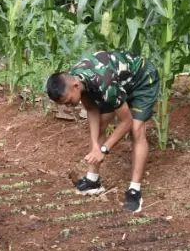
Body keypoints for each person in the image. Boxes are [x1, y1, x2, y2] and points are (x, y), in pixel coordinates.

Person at [46, 50, 161, 213]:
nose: (68, 106)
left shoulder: (104, 84)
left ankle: (135, 190)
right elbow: (92, 110)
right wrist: (95, 146)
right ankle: (93, 180)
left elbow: (126, 121)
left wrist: (104, 149)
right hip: (119, 83)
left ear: (75, 86)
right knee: (100, 124)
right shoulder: (77, 80)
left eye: (68, 101)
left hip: (142, 79)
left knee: (136, 129)